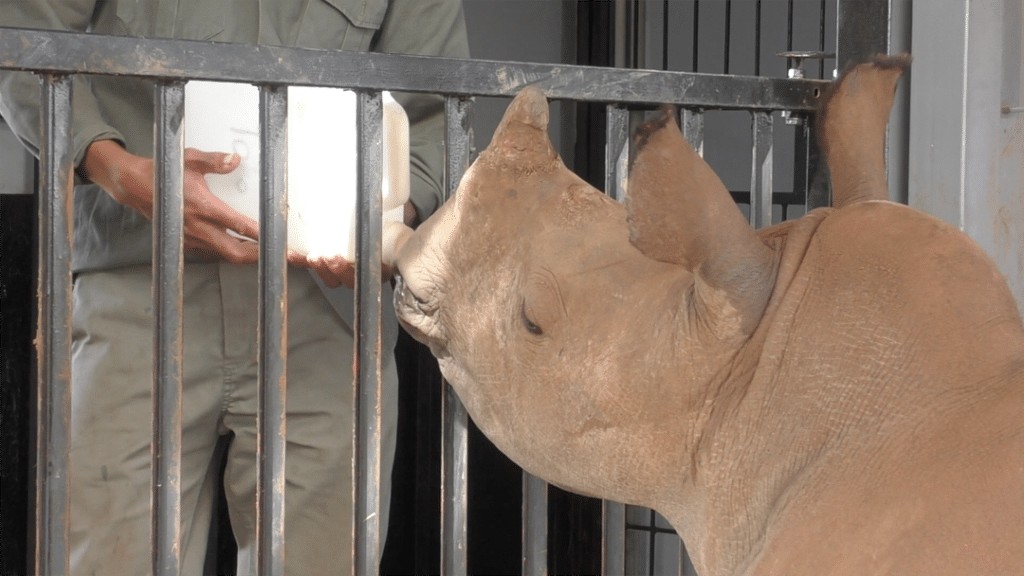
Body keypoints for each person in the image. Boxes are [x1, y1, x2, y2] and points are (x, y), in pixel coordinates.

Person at [0, 1, 468, 573]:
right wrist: (118, 170)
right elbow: (21, 40)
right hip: (136, 284)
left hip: (325, 309)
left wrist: (386, 219)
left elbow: (440, 109)